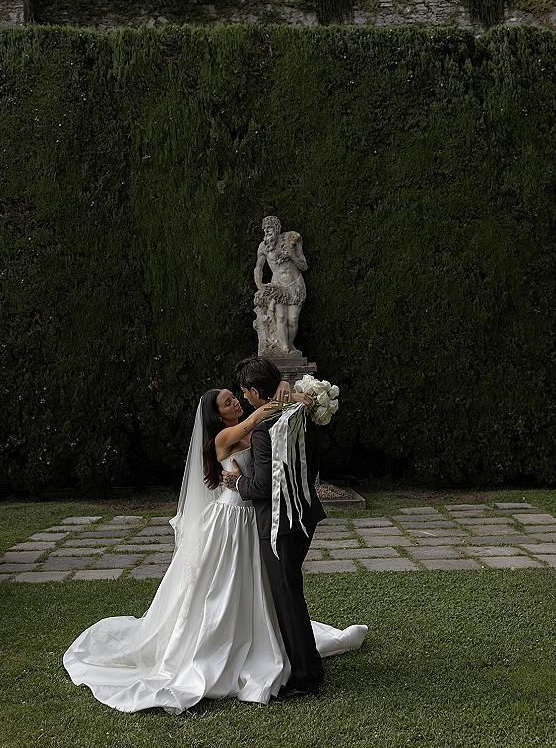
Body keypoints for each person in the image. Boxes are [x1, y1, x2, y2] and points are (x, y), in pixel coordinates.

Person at [63, 381, 367, 714]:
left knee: (260, 585)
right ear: (215, 414)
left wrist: (288, 391)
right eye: (228, 402)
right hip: (230, 517)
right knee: (220, 587)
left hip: (255, 517)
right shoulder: (222, 438)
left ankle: (267, 640)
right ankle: (216, 648)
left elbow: (271, 419)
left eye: (236, 397)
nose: (236, 403)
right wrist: (282, 392)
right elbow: (259, 417)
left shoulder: (252, 426)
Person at [223, 355, 328, 699]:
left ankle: (304, 679)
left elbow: (261, 487)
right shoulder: (299, 412)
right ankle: (310, 666)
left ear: (255, 392)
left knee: (288, 598)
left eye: (245, 393)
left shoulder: (264, 431)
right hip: (306, 515)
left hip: (280, 523)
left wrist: (237, 482)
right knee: (292, 595)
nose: (244, 399)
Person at [253, 216, 307, 356]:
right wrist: (260, 285)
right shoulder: (264, 246)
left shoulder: (292, 240)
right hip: (278, 287)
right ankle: (284, 348)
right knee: (281, 318)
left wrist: (292, 256)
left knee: (293, 320)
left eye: (269, 228)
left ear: (277, 228)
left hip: (295, 285)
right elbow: (258, 268)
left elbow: (304, 266)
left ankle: (289, 344)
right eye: (264, 229)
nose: (266, 232)